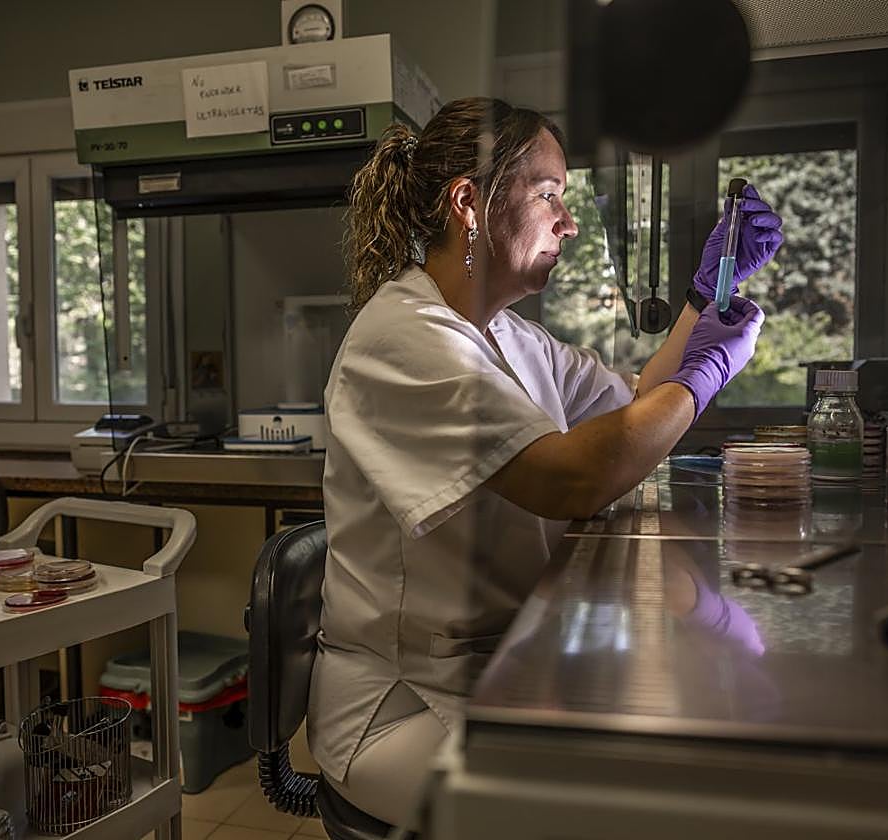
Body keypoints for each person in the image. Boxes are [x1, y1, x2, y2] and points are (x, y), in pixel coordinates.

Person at [307, 97, 783, 828]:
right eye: (549, 195)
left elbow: (636, 409)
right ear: (469, 203)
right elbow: (570, 478)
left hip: (503, 666)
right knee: (617, 814)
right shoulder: (401, 336)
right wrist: (706, 375)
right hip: (406, 702)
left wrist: (703, 300)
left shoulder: (512, 338)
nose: (569, 222)